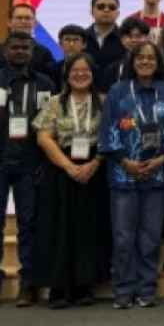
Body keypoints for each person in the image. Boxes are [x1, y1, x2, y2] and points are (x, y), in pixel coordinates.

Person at [0, 32, 56, 310]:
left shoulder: (46, 85)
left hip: (31, 165)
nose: (20, 52)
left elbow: (52, 127)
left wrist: (45, 162)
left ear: (32, 52)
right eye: (14, 48)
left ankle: (27, 283)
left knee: (29, 225)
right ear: (5, 52)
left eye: (25, 48)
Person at [100, 42, 164, 309]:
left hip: (156, 175)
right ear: (132, 62)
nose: (146, 61)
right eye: (141, 57)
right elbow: (109, 129)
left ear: (158, 62)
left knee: (150, 236)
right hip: (123, 174)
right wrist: (125, 161)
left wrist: (161, 159)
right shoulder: (118, 91)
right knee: (123, 236)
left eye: (150, 57)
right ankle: (123, 289)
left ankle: (146, 288)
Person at [33, 53, 111, 309]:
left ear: (93, 74)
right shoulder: (55, 102)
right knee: (58, 227)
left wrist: (95, 163)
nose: (80, 74)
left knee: (89, 228)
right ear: (66, 74)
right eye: (74, 70)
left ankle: (83, 285)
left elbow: (112, 136)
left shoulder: (104, 102)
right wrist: (68, 166)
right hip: (60, 170)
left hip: (95, 169)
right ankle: (58, 287)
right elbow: (44, 137)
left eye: (85, 70)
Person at [0, 4, 55, 76]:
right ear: (9, 22)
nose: (23, 21)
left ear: (34, 23)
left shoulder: (44, 53)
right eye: (19, 18)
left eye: (27, 18)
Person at [99, 17, 151, 94]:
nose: (134, 40)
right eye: (130, 36)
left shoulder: (155, 66)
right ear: (122, 39)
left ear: (148, 38)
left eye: (138, 36)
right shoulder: (112, 69)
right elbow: (104, 96)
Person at [86, 0, 126, 71]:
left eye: (112, 7)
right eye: (101, 7)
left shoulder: (125, 39)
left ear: (118, 14)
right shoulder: (82, 38)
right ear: (92, 12)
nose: (106, 10)